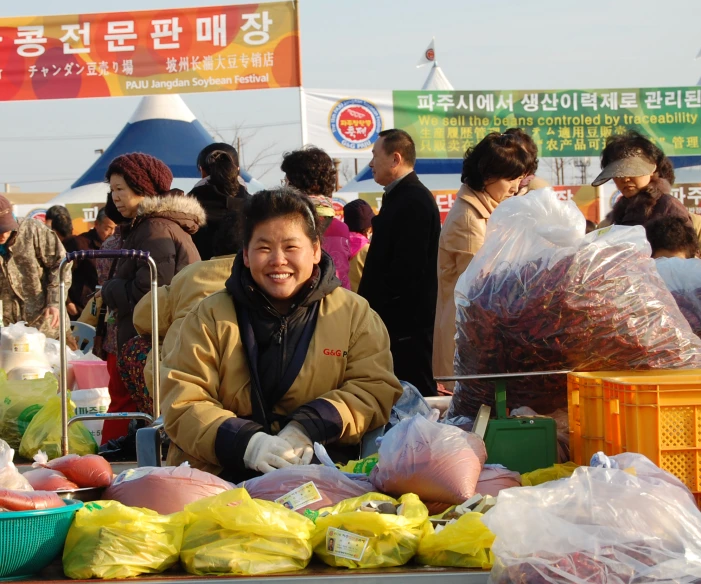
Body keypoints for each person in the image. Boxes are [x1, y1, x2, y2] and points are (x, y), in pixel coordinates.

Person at [160, 188, 403, 479]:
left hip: (322, 479)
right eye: (263, 248)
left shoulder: (354, 315)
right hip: (220, 482)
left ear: (315, 250)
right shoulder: (208, 316)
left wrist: (307, 426)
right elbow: (183, 402)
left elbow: (373, 389)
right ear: (246, 255)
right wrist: (247, 443)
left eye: (291, 247)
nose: (277, 260)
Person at [100, 153, 204, 453]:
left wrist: (110, 288)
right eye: (113, 190)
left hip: (154, 338)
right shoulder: (150, 225)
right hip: (153, 335)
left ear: (142, 187)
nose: (115, 197)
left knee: (142, 405)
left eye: (121, 189)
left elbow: (151, 291)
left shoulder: (154, 228)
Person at [433, 131, 537, 387]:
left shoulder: (485, 210)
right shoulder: (470, 220)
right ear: (487, 175)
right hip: (469, 339)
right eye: (510, 178)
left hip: (477, 336)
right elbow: (483, 290)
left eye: (520, 179)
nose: (515, 187)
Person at [357, 129, 441, 396]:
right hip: (396, 326)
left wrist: (384, 311)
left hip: (405, 329)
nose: (371, 163)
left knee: (414, 399)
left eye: (374, 155)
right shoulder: (401, 197)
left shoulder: (413, 200)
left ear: (395, 159)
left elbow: (407, 271)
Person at [133, 211, 242, 398]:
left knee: (134, 348)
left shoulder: (191, 274)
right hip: (240, 390)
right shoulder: (272, 280)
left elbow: (143, 317)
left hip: (175, 386)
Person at [281, 147, 352, 290]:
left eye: (286, 179)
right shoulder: (340, 227)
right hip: (338, 304)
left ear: (293, 183)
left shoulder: (285, 224)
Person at [592, 130, 692, 230]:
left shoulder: (667, 206)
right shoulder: (613, 218)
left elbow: (683, 245)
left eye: (632, 171)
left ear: (652, 169)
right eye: (617, 174)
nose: (625, 179)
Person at [0, 195, 68, 338]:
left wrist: (55, 302)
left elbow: (61, 263)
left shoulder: (32, 230)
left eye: (6, 229)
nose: (2, 235)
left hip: (47, 327)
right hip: (9, 334)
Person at [189, 143, 249, 261]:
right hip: (247, 277)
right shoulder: (256, 206)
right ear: (238, 170)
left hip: (197, 277)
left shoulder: (185, 209)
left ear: (202, 171)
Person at [63, 207, 117, 316]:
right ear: (97, 224)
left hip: (108, 308)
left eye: (116, 229)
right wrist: (68, 302)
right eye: (108, 228)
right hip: (81, 309)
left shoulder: (118, 245)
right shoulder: (79, 244)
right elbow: (62, 274)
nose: (112, 233)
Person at [343, 199, 375, 293]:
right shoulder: (369, 251)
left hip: (341, 300)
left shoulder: (338, 246)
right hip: (363, 303)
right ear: (370, 227)